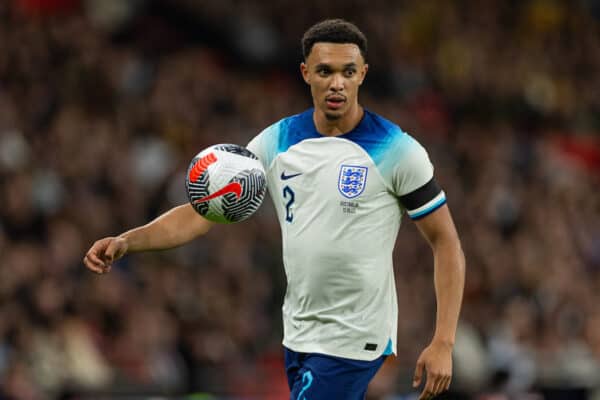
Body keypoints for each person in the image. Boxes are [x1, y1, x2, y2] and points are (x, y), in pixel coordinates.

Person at [84, 18, 465, 400]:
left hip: (352, 337)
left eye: (348, 72)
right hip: (299, 334)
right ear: (305, 73)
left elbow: (445, 241)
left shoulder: (397, 150)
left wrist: (443, 342)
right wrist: (127, 241)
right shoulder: (278, 140)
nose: (337, 83)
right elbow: (202, 212)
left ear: (363, 74)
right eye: (325, 71)